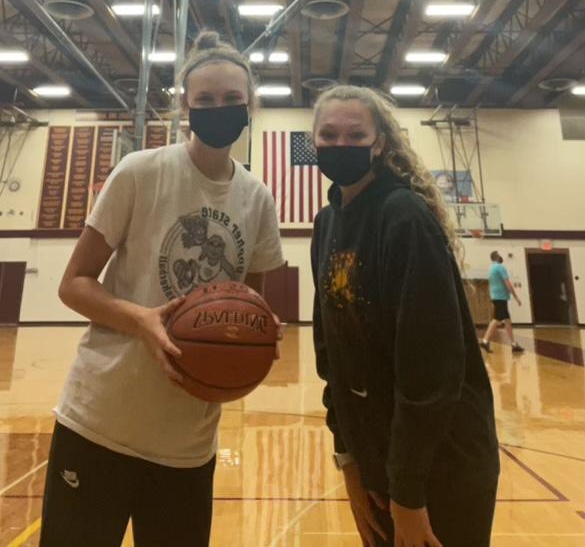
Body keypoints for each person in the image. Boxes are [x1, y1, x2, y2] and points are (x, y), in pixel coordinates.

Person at [39, 31, 284, 547]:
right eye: (205, 99)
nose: (219, 108)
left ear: (249, 106)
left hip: (188, 442)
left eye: (231, 99)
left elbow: (248, 305)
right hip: (100, 420)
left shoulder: (258, 198)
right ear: (186, 106)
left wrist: (257, 337)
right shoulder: (140, 172)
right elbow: (73, 284)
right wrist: (142, 320)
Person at [311, 85, 499, 547]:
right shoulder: (326, 224)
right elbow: (331, 354)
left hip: (441, 462)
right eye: (329, 135)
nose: (341, 144)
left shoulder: (403, 216)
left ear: (379, 144)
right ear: (313, 141)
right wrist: (349, 459)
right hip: (379, 458)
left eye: (356, 135)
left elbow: (431, 369)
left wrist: (408, 493)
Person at [480, 251, 523, 354]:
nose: (501, 256)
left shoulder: (491, 268)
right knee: (497, 319)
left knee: (507, 320)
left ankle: (513, 344)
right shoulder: (500, 267)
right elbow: (507, 283)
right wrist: (516, 297)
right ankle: (485, 341)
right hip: (501, 297)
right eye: (499, 255)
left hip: (496, 297)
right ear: (497, 257)